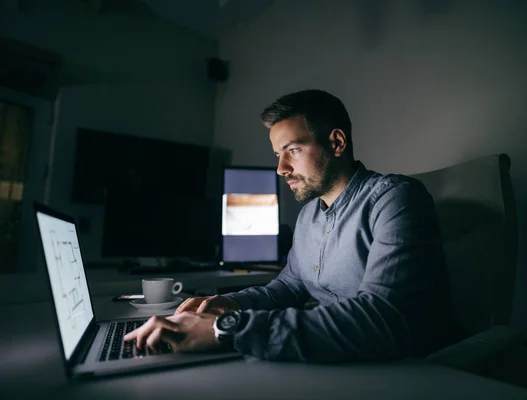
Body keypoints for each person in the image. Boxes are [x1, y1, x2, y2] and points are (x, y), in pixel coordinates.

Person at [124, 89, 454, 362]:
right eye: (277, 154)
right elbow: (288, 287)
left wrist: (228, 328)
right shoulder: (310, 214)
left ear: (337, 143)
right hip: (333, 361)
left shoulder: (395, 198)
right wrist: (234, 303)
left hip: (398, 370)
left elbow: (381, 319)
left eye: (292, 150)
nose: (281, 168)